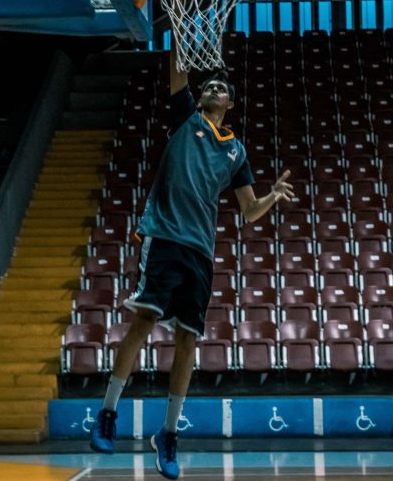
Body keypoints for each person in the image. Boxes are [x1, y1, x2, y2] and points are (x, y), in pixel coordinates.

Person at [90, 49, 294, 480]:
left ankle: (167, 435)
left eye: (220, 88)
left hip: (200, 250)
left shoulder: (236, 151)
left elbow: (250, 210)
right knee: (143, 322)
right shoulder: (186, 118)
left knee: (187, 341)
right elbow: (178, 73)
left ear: (231, 104)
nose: (212, 89)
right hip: (165, 236)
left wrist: (273, 195)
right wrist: (183, 28)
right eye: (209, 87)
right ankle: (108, 413)